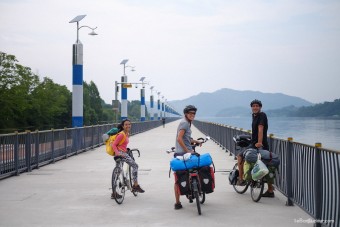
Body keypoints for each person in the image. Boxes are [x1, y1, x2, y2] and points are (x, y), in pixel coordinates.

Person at [237, 99, 274, 197]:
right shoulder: (254, 116)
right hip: (256, 143)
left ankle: (241, 179)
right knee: (266, 165)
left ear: (260, 107)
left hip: (259, 144)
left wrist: (259, 142)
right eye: (253, 106)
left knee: (240, 156)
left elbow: (260, 129)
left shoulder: (262, 115)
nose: (255, 107)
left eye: (257, 106)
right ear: (251, 107)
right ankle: (270, 190)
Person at [173, 105, 202, 210]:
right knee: (194, 169)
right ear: (186, 114)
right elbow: (179, 139)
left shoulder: (186, 123)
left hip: (180, 153)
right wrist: (188, 151)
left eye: (194, 113)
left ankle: (177, 203)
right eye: (190, 113)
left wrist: (196, 141)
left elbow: (186, 139)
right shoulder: (185, 123)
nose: (192, 115)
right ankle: (195, 190)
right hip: (184, 153)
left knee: (179, 177)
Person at [111, 119, 144, 199]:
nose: (128, 126)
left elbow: (122, 145)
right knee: (135, 166)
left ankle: (114, 193)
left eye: (129, 124)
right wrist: (118, 153)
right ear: (123, 126)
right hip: (121, 154)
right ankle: (135, 185)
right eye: (126, 124)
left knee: (118, 171)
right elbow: (114, 145)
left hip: (122, 152)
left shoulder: (127, 134)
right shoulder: (121, 134)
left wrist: (126, 150)